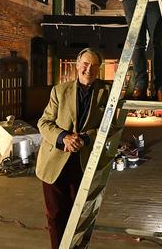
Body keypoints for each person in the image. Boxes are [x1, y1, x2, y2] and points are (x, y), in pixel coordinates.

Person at [36, 48, 111, 249]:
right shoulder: (59, 91)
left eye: (94, 66)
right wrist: (63, 137)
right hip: (55, 162)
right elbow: (44, 123)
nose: (89, 69)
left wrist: (86, 139)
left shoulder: (107, 92)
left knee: (80, 215)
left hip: (84, 163)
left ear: (99, 69)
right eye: (86, 64)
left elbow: (108, 126)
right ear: (77, 65)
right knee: (56, 215)